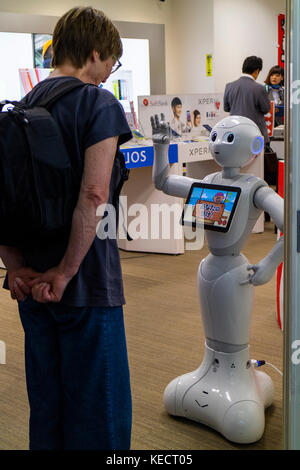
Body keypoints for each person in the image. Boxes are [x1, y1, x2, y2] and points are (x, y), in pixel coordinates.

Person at [0, 7, 132, 450]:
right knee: (99, 415)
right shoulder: (99, 104)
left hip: (30, 288)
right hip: (86, 286)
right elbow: (94, 196)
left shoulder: (22, 109)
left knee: (49, 408)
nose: (111, 70)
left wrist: (15, 267)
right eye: (111, 61)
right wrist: (66, 272)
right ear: (94, 53)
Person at [224, 56, 271, 149]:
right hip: (256, 135)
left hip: (235, 134)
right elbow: (266, 109)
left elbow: (226, 108)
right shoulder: (259, 88)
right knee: (259, 163)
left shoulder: (229, 86)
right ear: (257, 70)